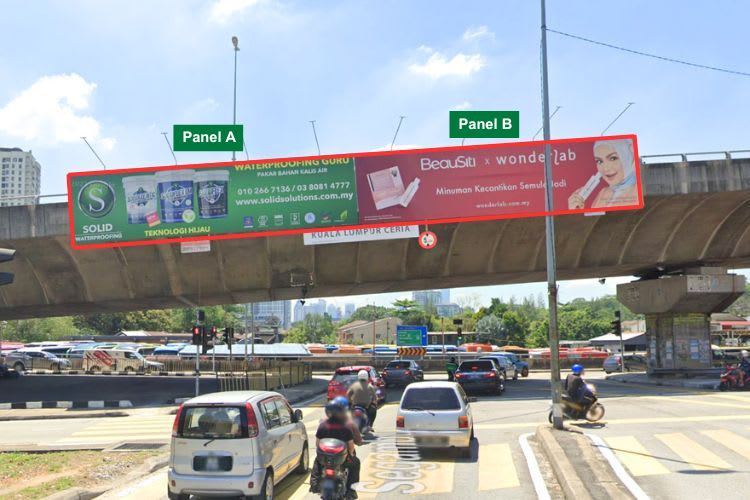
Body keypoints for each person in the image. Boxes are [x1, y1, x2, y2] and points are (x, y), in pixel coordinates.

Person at [310, 399, 360, 499]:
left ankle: (314, 485)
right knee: (356, 463)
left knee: (316, 463)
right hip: (341, 460)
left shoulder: (323, 425)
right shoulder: (345, 426)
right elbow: (351, 447)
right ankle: (351, 491)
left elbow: (317, 444)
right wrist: (351, 455)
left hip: (325, 460)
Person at [568, 139, 638, 210]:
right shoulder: (603, 193)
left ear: (628, 155)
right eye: (599, 161)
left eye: (613, 158)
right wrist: (577, 211)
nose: (606, 168)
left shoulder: (639, 191)